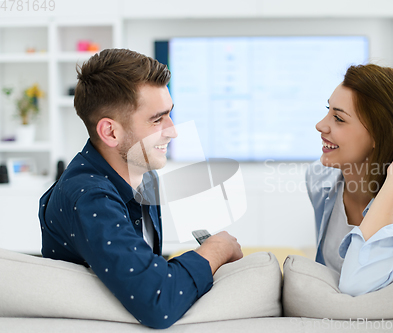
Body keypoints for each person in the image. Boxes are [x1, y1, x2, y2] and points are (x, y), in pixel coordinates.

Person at [38, 48, 243, 329]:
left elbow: (146, 264)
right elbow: (157, 301)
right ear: (110, 132)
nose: (172, 130)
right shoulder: (89, 196)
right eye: (157, 119)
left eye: (170, 115)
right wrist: (214, 250)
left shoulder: (144, 176)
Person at [306, 64, 393, 297]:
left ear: (378, 136)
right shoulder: (321, 179)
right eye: (328, 110)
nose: (320, 125)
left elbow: (357, 285)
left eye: (338, 118)